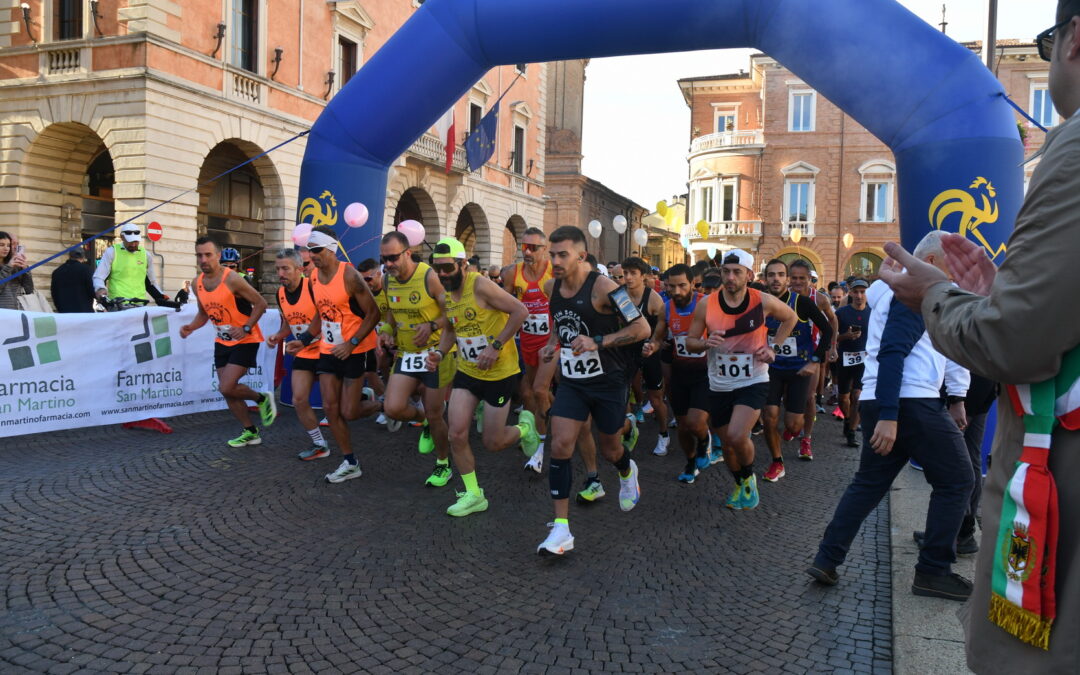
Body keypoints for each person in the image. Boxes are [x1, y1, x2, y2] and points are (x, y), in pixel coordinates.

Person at [871, 3, 1080, 666]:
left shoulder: (1073, 148)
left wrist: (935, 291)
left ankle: (929, 559)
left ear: (1075, 38)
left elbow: (1016, 339)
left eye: (1048, 44)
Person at [809, 232, 974, 604]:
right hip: (908, 401)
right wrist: (889, 415)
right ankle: (933, 570)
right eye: (952, 263)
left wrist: (952, 397)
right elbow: (894, 350)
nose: (957, 272)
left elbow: (929, 351)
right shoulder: (915, 291)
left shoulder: (899, 290)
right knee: (959, 480)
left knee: (868, 484)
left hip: (890, 398)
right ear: (930, 263)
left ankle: (826, 558)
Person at [535, 225, 650, 555]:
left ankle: (627, 470)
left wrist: (599, 341)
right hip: (573, 381)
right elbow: (561, 320)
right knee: (560, 443)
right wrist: (553, 344)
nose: (554, 261)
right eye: (551, 254)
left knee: (610, 448)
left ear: (581, 256)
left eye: (562, 255)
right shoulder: (550, 286)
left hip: (609, 380)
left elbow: (641, 328)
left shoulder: (605, 288)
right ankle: (561, 530)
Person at [425, 237, 539, 517]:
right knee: (457, 433)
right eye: (436, 268)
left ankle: (525, 428)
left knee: (493, 442)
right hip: (467, 371)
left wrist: (495, 346)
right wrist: (440, 353)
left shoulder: (480, 285)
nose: (441, 274)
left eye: (447, 268)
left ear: (463, 264)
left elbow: (520, 311)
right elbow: (452, 329)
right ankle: (474, 494)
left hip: (499, 373)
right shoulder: (445, 294)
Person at [685, 250, 796, 510]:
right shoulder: (707, 304)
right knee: (728, 447)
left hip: (753, 379)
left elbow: (790, 317)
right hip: (719, 382)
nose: (730, 277)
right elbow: (690, 342)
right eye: (726, 271)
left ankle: (749, 478)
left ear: (748, 275)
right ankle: (741, 481)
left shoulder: (762, 300)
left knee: (736, 435)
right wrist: (703, 343)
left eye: (737, 272)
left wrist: (773, 348)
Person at [179, 237, 276, 446]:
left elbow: (261, 303)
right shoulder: (197, 284)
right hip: (222, 341)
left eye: (208, 254)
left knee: (226, 386)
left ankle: (262, 399)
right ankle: (250, 431)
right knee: (228, 391)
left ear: (218, 256)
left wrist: (246, 327)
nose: (203, 259)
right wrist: (191, 327)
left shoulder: (232, 279)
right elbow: (204, 314)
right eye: (199, 255)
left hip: (246, 339)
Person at [379, 230, 456, 486]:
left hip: (435, 353)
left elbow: (453, 313)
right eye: (384, 258)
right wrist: (387, 331)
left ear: (407, 253)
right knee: (393, 407)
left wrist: (432, 325)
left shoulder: (429, 276)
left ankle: (443, 463)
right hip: (407, 353)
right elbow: (391, 311)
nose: (388, 264)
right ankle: (422, 419)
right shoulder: (387, 280)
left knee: (437, 415)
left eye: (393, 258)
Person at [306, 227, 382, 482]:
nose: (312, 255)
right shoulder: (313, 277)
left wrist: (351, 343)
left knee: (349, 412)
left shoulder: (349, 275)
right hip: (328, 350)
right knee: (330, 407)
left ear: (330, 249)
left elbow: (373, 313)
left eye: (316, 250)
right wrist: (305, 338)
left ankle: (382, 405)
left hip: (354, 350)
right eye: (309, 250)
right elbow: (321, 312)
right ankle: (350, 462)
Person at [760, 259, 833, 480]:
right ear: (765, 279)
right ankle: (777, 462)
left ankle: (795, 432)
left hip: (798, 369)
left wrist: (815, 360)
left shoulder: (801, 303)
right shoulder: (759, 303)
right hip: (771, 368)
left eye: (780, 275)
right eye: (771, 275)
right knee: (770, 415)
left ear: (786, 279)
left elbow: (828, 330)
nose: (775, 279)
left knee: (793, 423)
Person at [502, 227, 554, 473]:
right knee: (528, 392)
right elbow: (503, 304)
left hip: (553, 342)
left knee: (537, 390)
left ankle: (540, 449)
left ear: (545, 250)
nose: (527, 252)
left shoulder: (554, 272)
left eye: (533, 247)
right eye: (524, 247)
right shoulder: (514, 273)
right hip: (529, 341)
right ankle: (542, 427)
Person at [266, 248, 327, 461]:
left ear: (299, 269)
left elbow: (325, 317)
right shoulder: (280, 293)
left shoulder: (313, 287)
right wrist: (278, 335)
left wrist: (305, 339)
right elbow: (290, 324)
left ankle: (362, 394)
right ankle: (320, 444)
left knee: (337, 405)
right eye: (277, 269)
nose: (280, 273)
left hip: (326, 350)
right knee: (299, 400)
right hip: (303, 351)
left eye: (285, 268)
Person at [661, 264, 712, 482]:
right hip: (680, 371)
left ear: (692, 283)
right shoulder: (666, 307)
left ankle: (704, 441)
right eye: (672, 286)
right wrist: (653, 344)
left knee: (695, 422)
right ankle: (691, 463)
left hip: (705, 373)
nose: (677, 291)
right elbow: (658, 334)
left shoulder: (706, 303)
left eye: (682, 285)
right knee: (682, 425)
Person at [790, 260, 839, 456]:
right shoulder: (782, 298)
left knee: (809, 396)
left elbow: (833, 321)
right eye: (794, 278)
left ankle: (806, 439)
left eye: (802, 278)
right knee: (788, 395)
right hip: (788, 354)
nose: (798, 282)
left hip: (812, 353)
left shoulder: (819, 299)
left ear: (810, 280)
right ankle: (792, 425)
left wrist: (832, 346)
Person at [834, 279, 871, 447]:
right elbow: (832, 337)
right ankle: (847, 419)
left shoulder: (874, 313)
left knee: (857, 396)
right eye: (856, 292)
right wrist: (845, 336)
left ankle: (852, 431)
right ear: (850, 293)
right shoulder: (841, 313)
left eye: (863, 292)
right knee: (843, 398)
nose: (859, 295)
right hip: (844, 359)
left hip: (864, 361)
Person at [93, 225, 164, 302]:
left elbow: (152, 281)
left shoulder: (146, 255)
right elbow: (99, 276)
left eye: (136, 241)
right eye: (130, 242)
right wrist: (100, 288)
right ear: (122, 237)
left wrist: (162, 297)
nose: (133, 245)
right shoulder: (112, 252)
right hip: (118, 304)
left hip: (140, 303)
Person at [0, 231, 33, 311]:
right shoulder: (9, 266)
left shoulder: (16, 266)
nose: (6, 248)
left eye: (8, 245)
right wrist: (8, 267)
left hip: (16, 312)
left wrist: (26, 270)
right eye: (2, 245)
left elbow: (29, 290)